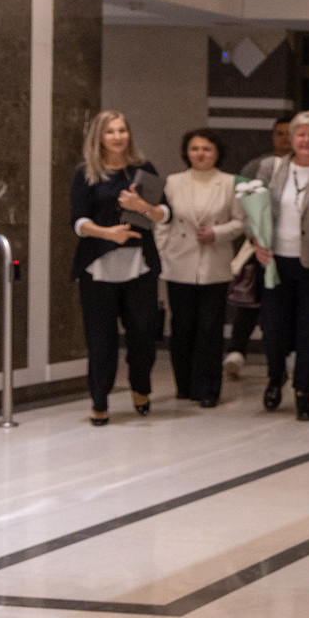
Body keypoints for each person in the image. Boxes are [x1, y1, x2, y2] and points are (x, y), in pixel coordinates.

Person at [70, 110, 170, 427]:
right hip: (98, 266)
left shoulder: (143, 169)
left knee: (142, 333)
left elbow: (165, 213)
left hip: (139, 265)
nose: (117, 137)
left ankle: (141, 387)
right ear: (99, 137)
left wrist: (142, 207)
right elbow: (78, 221)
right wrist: (107, 233)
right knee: (101, 339)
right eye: (110, 131)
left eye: (122, 130)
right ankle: (99, 401)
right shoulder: (86, 173)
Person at [249, 111, 309, 420]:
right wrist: (256, 240)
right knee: (273, 328)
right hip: (274, 261)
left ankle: (304, 393)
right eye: (301, 134)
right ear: (291, 138)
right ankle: (276, 375)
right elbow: (252, 210)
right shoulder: (270, 167)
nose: (307, 140)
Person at [160, 129, 246, 408]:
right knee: (182, 326)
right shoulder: (173, 182)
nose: (200, 154)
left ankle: (209, 387)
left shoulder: (230, 183)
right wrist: (163, 252)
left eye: (206, 149)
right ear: (186, 152)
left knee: (210, 328)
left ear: (217, 153)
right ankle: (184, 385)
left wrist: (217, 233)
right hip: (179, 262)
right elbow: (162, 222)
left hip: (214, 264)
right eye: (195, 148)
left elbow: (240, 222)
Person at [224, 117, 294, 380]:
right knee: (249, 298)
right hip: (258, 244)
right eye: (280, 133)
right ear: (272, 136)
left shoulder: (305, 167)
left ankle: (285, 354)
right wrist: (256, 235)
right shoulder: (257, 166)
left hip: (290, 246)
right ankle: (236, 350)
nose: (285, 138)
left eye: (290, 133)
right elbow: (243, 203)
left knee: (282, 305)